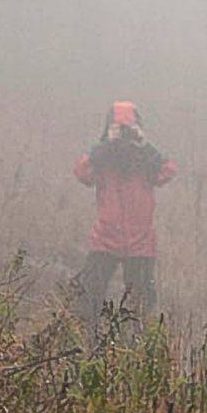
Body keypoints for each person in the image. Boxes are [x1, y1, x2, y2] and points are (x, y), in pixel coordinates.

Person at [73, 100, 178, 334]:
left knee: (141, 308)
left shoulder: (145, 159)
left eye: (128, 129)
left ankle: (135, 353)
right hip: (105, 239)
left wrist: (145, 144)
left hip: (141, 243)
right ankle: (87, 345)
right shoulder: (102, 158)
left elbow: (168, 171)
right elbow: (81, 172)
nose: (124, 136)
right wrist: (105, 144)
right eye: (118, 128)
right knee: (87, 300)